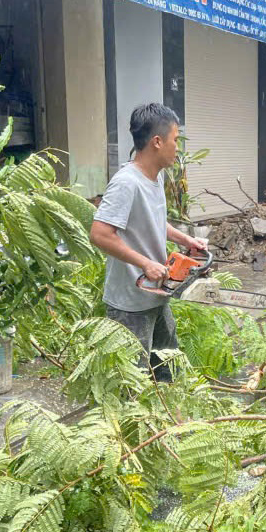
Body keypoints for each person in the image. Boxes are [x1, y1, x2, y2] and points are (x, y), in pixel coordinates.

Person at [90, 103, 207, 382]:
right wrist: (145, 263)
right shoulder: (126, 183)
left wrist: (184, 238)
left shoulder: (155, 178)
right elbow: (100, 233)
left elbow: (152, 219)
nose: (178, 147)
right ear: (157, 141)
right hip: (130, 303)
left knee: (168, 372)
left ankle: (167, 423)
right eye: (175, 140)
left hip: (155, 294)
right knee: (132, 384)